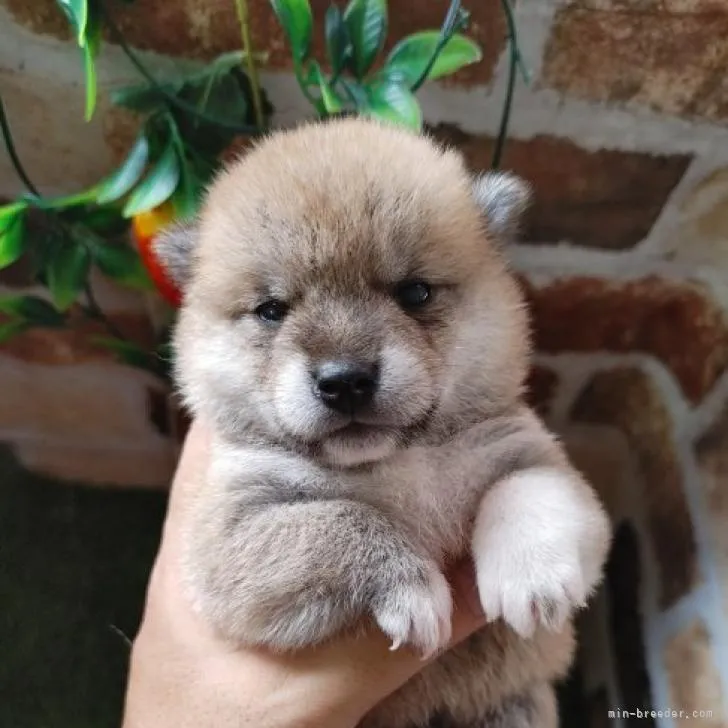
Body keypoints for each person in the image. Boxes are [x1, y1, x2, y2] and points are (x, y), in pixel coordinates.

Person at [121, 418, 487, 728]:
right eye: (271, 325)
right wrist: (368, 552)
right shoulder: (250, 448)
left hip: (493, 690)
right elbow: (237, 572)